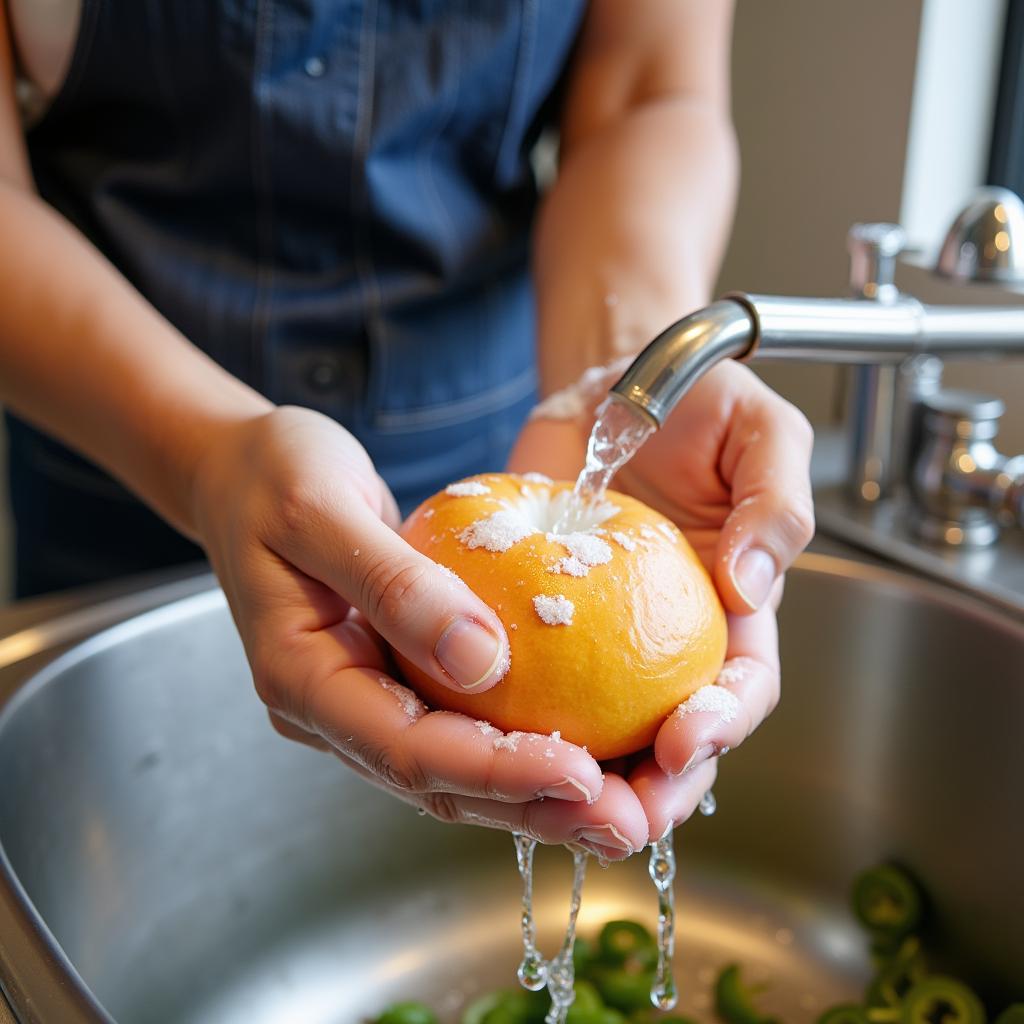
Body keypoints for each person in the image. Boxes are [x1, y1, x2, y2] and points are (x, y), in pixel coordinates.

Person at [0, 1, 813, 860]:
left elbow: (643, 95)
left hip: (508, 448)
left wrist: (627, 373)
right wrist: (204, 454)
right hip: (120, 463)